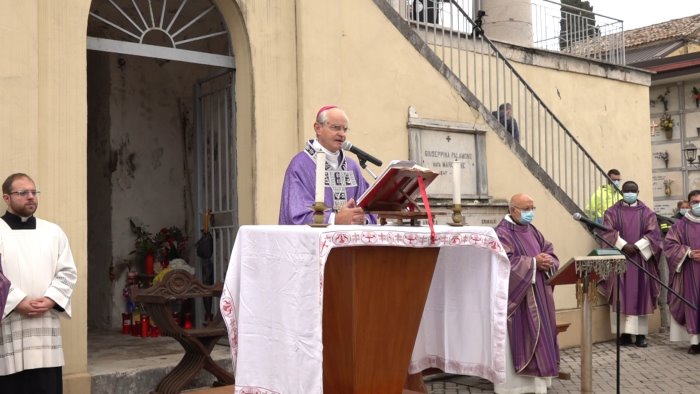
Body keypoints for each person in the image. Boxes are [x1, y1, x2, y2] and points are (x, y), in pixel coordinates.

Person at [0, 173, 78, 393]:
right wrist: (16, 301)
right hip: (10, 323)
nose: (31, 197)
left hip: (45, 324)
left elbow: (67, 271)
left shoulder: (53, 232)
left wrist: (52, 299)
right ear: (6, 198)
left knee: (45, 384)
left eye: (34, 192)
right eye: (23, 193)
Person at [494, 193, 559, 394]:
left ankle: (540, 383)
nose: (531, 212)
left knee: (542, 335)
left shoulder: (531, 229)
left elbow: (547, 248)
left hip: (539, 291)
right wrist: (533, 263)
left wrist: (548, 259)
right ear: (513, 210)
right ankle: (515, 387)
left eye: (532, 208)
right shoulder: (502, 233)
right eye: (526, 209)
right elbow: (503, 263)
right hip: (519, 299)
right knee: (523, 336)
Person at [279, 105, 376, 225]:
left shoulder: (352, 167)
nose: (342, 134)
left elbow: (369, 209)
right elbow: (296, 214)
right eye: (336, 128)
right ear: (318, 128)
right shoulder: (300, 165)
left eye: (345, 129)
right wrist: (335, 219)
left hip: (351, 242)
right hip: (315, 243)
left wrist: (361, 219)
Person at [598, 181, 662, 348]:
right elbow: (607, 231)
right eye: (627, 190)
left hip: (641, 260)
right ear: (622, 192)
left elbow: (654, 234)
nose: (630, 193)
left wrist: (638, 246)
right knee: (621, 295)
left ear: (638, 191)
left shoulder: (647, 213)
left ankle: (641, 334)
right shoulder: (612, 211)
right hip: (620, 259)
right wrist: (623, 245)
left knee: (641, 295)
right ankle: (624, 333)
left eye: (633, 190)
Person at [664, 189, 700, 354]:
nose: (698, 205)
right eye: (695, 202)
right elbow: (669, 245)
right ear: (689, 204)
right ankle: (695, 342)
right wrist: (689, 253)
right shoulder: (680, 225)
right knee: (692, 305)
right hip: (689, 271)